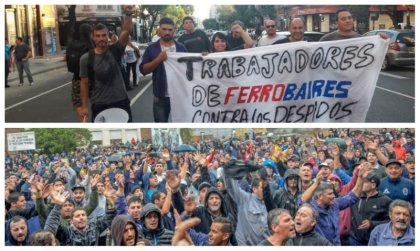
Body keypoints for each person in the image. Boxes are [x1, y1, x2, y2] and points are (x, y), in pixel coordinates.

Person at [79, 5, 134, 122]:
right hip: (99, 104)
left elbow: (126, 31)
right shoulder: (86, 58)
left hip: (120, 100)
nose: (101, 38)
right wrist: (83, 106)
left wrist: (128, 14)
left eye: (104, 35)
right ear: (93, 37)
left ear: (108, 36)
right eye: (98, 36)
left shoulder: (116, 50)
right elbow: (84, 83)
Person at [300, 162, 366, 245]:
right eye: (330, 194)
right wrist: (316, 183)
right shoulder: (309, 208)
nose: (334, 196)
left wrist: (360, 178)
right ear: (320, 196)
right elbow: (303, 200)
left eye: (333, 193)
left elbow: (353, 196)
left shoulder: (334, 204)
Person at [140, 17, 187, 122]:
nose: (167, 32)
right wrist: (158, 60)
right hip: (160, 97)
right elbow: (143, 70)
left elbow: (190, 68)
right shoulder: (152, 49)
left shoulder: (181, 48)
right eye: (164, 29)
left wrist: (203, 57)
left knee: (183, 123)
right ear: (159, 30)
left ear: (174, 31)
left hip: (179, 95)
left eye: (170, 30)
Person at [350, 172, 392, 246]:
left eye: (364, 182)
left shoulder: (385, 200)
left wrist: (372, 224)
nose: (361, 184)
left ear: (373, 185)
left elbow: (391, 221)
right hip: (354, 239)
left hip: (374, 240)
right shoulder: (355, 197)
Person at [67, 23, 94, 121]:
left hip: (77, 79)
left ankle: (84, 121)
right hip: (92, 80)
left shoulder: (73, 45)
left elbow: (67, 59)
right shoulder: (91, 46)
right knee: (96, 103)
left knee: (79, 105)